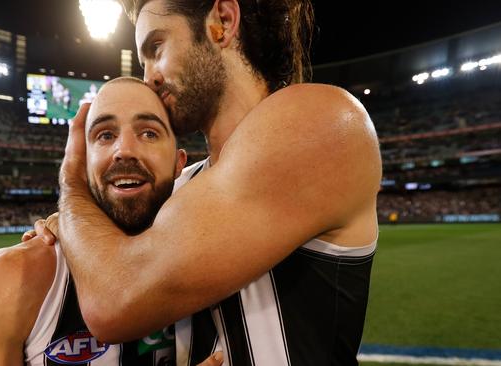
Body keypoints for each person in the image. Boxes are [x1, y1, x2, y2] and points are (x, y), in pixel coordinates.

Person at [35, 0, 382, 365]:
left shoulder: (323, 120)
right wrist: (64, 227)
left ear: (222, 21)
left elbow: (113, 301)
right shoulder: (186, 186)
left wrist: (72, 188)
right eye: (143, 62)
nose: (148, 77)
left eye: (157, 48)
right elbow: (106, 248)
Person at [0, 77, 222, 366]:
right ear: (83, 161)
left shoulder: (210, 256)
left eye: (149, 133)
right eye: (105, 135)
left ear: (179, 163)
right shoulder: (9, 280)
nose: (124, 150)